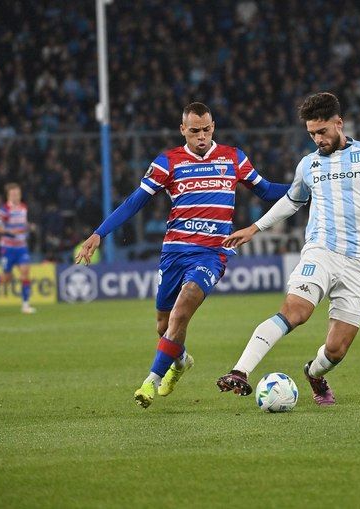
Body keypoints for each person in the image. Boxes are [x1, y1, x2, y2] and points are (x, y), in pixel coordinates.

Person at [216, 92, 360, 405]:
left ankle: (314, 373)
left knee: (336, 350)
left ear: (339, 123)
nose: (317, 139)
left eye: (322, 131)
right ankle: (240, 371)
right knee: (296, 311)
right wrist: (255, 228)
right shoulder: (308, 165)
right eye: (312, 134)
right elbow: (292, 201)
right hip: (320, 251)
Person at [74, 102, 290, 410]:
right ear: (183, 130)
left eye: (206, 129)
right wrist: (99, 233)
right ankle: (180, 360)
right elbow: (136, 201)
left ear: (213, 127)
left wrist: (305, 186)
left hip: (212, 253)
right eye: (194, 131)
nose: (201, 136)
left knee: (182, 310)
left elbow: (267, 191)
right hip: (174, 253)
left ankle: (150, 380)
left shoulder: (233, 157)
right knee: (164, 326)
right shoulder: (168, 162)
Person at [0, 183, 37, 314]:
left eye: (18, 194)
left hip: (21, 247)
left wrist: (29, 227)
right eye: (13, 194)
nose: (16, 196)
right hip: (7, 248)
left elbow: (22, 225)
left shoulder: (23, 207)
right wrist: (8, 231)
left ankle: (25, 305)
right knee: (7, 277)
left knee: (25, 273)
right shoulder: (4, 210)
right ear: (8, 195)